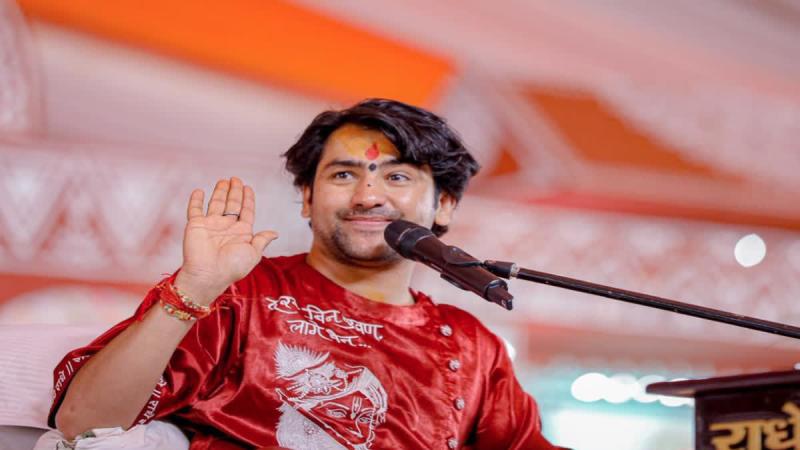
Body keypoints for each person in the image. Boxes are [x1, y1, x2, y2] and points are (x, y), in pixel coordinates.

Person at [38, 99, 557, 449]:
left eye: (397, 176)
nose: (367, 195)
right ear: (307, 198)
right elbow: (82, 424)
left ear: (443, 205)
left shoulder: (471, 345)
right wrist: (192, 290)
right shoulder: (239, 293)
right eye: (343, 174)